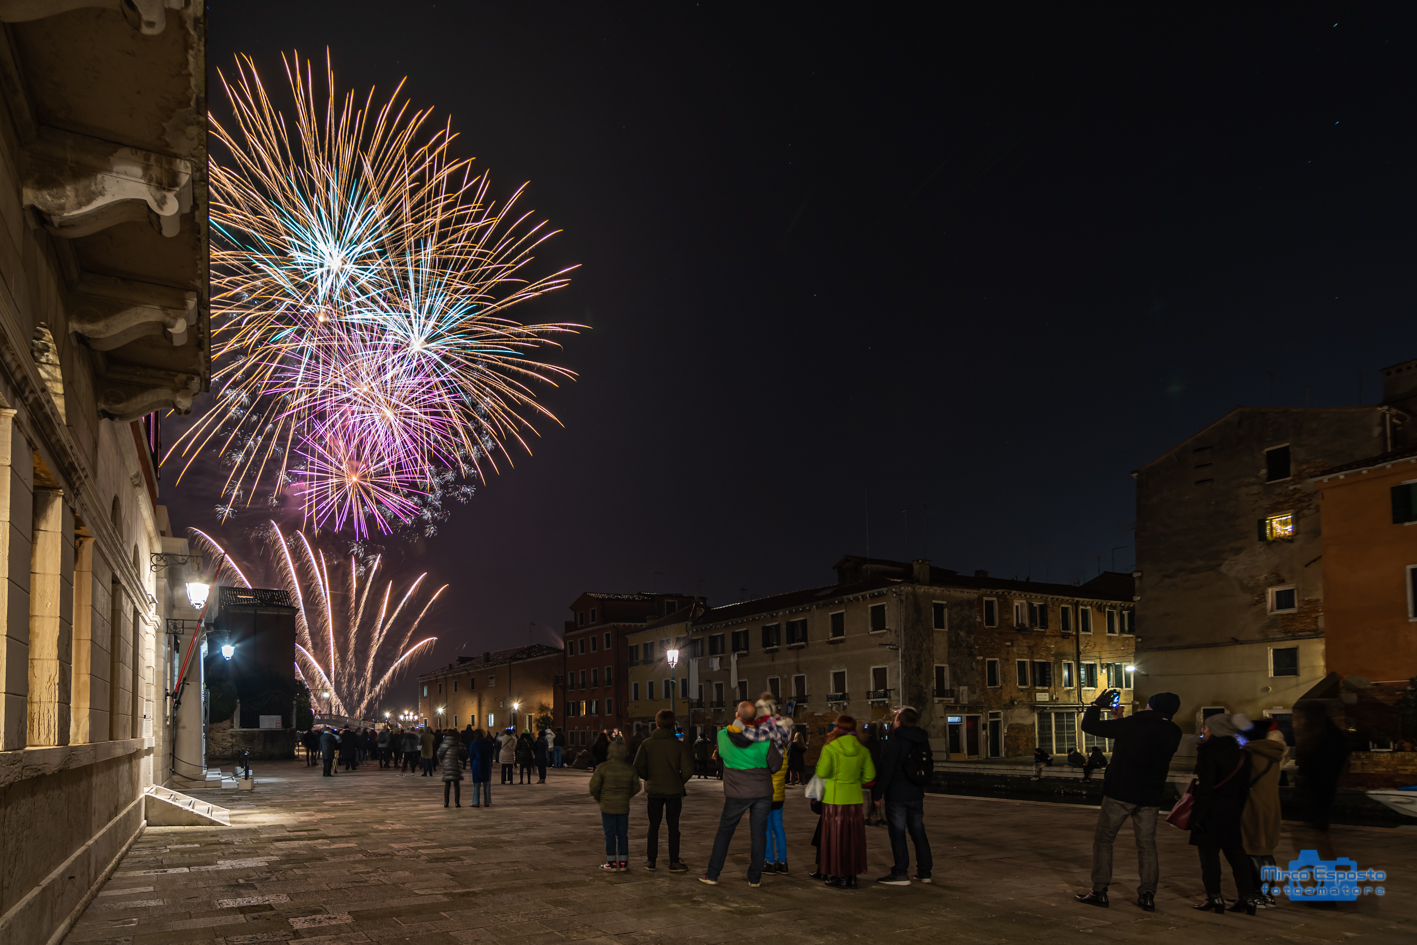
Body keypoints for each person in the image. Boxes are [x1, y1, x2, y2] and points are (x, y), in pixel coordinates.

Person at [1073, 689, 1183, 912]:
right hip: (1150, 795)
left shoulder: (1133, 724)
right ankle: (1147, 895)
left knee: (1104, 840)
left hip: (1120, 792)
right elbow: (1143, 741)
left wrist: (1096, 706)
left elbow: (1089, 727)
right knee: (1147, 845)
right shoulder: (1174, 731)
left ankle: (1100, 891)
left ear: (1151, 706)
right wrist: (1120, 720)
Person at [700, 701, 782, 888]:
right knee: (759, 834)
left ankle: (712, 874)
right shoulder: (765, 739)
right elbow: (776, 766)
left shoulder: (722, 736)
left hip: (736, 793)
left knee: (724, 832)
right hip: (762, 792)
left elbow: (721, 755)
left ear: (737, 716)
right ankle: (754, 878)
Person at [1189, 712, 1256, 915]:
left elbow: (1205, 788)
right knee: (1237, 855)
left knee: (1209, 857)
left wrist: (1197, 816)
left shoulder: (1209, 752)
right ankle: (1248, 898)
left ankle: (1214, 897)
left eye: (1206, 727)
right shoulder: (1244, 754)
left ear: (1215, 730)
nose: (1204, 730)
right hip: (1232, 810)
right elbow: (1245, 789)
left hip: (1210, 810)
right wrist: (1237, 810)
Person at [725, 693, 793, 873]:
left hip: (765, 788)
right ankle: (783, 862)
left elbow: (745, 734)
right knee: (778, 825)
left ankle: (769, 861)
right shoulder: (784, 731)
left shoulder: (764, 732)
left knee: (764, 827)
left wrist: (738, 722)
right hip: (779, 789)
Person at [872, 706, 933, 886]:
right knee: (918, 831)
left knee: (898, 833)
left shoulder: (895, 741)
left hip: (897, 793)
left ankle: (900, 873)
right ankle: (925, 872)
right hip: (916, 793)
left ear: (899, 722)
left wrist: (877, 793)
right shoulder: (922, 740)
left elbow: (886, 770)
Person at [816, 715, 876, 889]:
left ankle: (838, 876)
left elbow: (821, 772)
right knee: (853, 840)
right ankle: (852, 877)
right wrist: (854, 780)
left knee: (835, 839)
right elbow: (870, 775)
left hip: (834, 800)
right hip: (854, 800)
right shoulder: (862, 749)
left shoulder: (831, 748)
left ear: (836, 728)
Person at [633, 708, 695, 872]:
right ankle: (674, 861)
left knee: (653, 826)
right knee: (673, 826)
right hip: (674, 792)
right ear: (673, 725)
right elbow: (688, 769)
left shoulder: (647, 743)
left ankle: (651, 860)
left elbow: (638, 766)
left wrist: (650, 777)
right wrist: (677, 781)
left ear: (657, 724)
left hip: (654, 790)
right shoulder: (678, 745)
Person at [1240, 718, 1285, 907]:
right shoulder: (1274, 753)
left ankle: (1258, 893)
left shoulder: (1248, 755)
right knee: (1267, 851)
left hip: (1252, 806)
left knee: (1252, 850)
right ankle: (1269, 894)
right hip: (1271, 806)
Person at [1294, 701, 1348, 849]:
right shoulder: (1322, 731)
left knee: (1319, 816)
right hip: (1318, 779)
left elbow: (1329, 759)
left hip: (1321, 780)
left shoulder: (1327, 734)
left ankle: (1320, 845)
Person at [589, 741, 640, 872]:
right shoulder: (629, 768)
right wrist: (626, 796)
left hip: (607, 806)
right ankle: (623, 862)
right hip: (623, 806)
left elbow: (593, 787)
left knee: (609, 834)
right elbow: (636, 787)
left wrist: (600, 798)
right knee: (623, 834)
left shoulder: (603, 767)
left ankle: (611, 862)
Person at [438, 727, 467, 807]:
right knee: (456, 785)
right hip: (456, 765)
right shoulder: (458, 743)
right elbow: (462, 755)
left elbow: (439, 753)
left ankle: (446, 802)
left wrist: (442, 760)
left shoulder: (444, 743)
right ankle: (457, 802)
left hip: (447, 765)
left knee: (447, 785)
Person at [469, 729, 496, 807]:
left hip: (476, 764)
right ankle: (487, 801)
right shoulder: (489, 743)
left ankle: (476, 802)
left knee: (476, 785)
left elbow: (471, 755)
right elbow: (492, 753)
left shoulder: (474, 744)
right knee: (487, 784)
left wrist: (471, 765)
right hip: (486, 764)